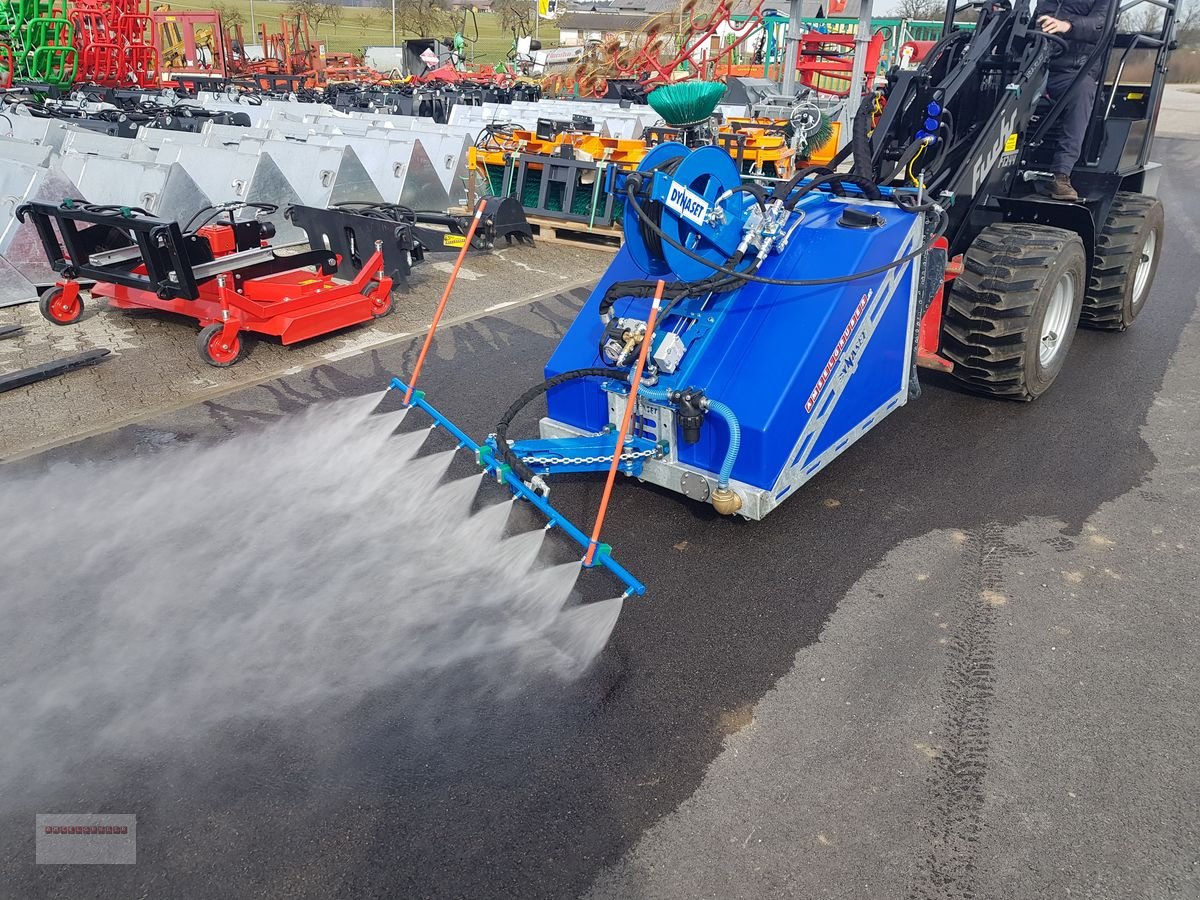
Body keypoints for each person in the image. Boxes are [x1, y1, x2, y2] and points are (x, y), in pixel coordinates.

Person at [1032, 0, 1114, 201]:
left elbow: (1100, 25)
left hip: (1071, 71)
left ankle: (1061, 174)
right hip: (1034, 64)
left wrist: (1067, 25)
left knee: (1082, 90)